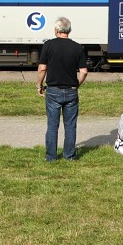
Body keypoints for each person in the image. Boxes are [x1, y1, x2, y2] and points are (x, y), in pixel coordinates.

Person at [36, 16, 88, 161]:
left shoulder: (48, 45)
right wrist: (76, 84)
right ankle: (69, 156)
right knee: (70, 126)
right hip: (71, 90)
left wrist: (39, 85)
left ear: (56, 30)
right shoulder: (77, 47)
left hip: (53, 90)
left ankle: (51, 157)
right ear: (69, 30)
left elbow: (42, 68)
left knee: (52, 126)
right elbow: (84, 71)